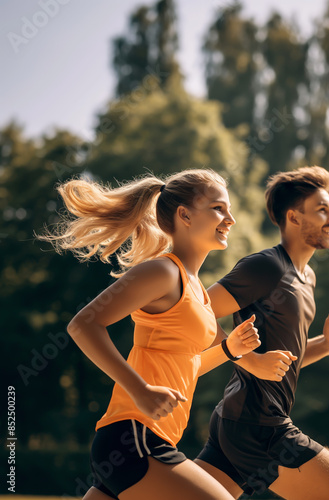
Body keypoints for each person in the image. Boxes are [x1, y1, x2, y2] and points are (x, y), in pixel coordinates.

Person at [38, 169, 263, 500]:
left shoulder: (197, 290)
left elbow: (184, 367)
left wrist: (229, 349)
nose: (229, 218)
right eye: (218, 208)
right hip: (135, 438)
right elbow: (83, 325)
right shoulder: (163, 272)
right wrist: (139, 389)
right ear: (184, 215)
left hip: (140, 442)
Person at [195, 166, 329, 499]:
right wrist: (249, 359)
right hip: (257, 424)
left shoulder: (308, 278)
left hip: (236, 421)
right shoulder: (267, 266)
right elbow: (195, 314)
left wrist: (327, 344)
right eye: (322, 210)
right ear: (293, 217)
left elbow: (283, 361)